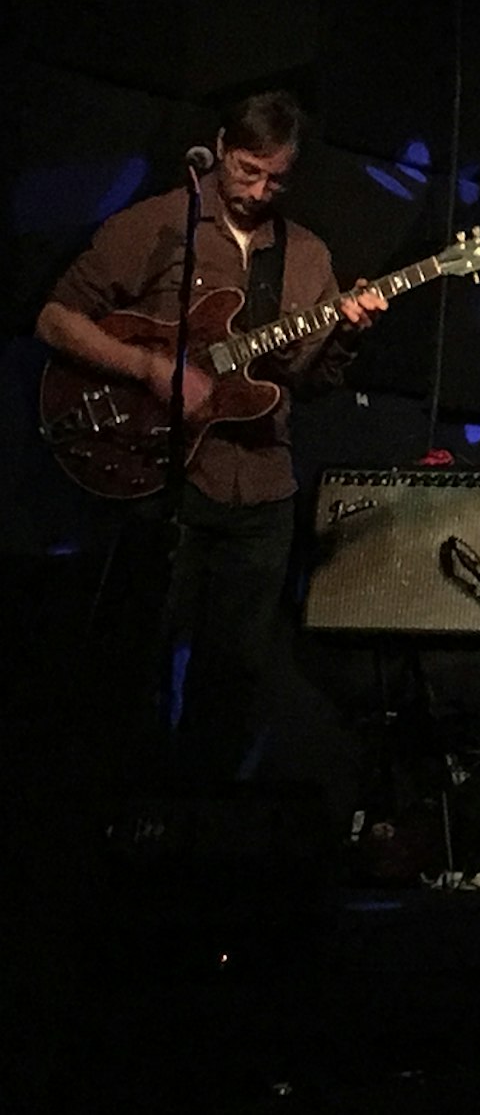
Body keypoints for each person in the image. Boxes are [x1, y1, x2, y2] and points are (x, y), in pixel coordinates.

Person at [36, 90, 387, 781]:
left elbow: (306, 383)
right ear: (222, 149)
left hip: (260, 485)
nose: (260, 191)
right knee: (137, 658)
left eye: (277, 179)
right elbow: (55, 319)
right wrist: (151, 366)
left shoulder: (306, 255)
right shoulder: (161, 224)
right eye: (248, 171)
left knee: (237, 672)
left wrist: (344, 333)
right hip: (163, 474)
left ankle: (206, 819)